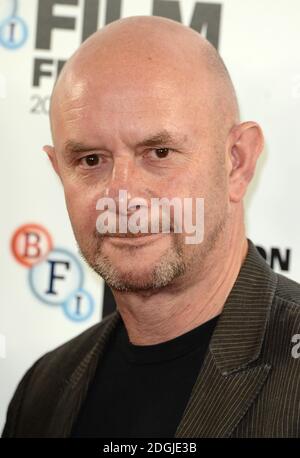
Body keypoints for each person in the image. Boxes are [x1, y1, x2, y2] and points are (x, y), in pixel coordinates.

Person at [2, 15, 300, 438]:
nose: (122, 197)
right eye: (91, 160)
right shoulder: (43, 391)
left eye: (159, 152)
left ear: (237, 162)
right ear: (59, 172)